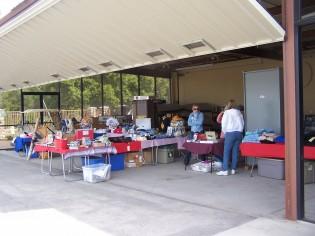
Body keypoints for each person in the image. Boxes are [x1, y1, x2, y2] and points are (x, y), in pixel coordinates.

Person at [216, 101, 244, 176]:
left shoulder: (227, 112)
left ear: (228, 106)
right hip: (239, 133)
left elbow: (223, 123)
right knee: (235, 152)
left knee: (226, 152)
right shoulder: (239, 112)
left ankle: (225, 170)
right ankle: (233, 169)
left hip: (230, 133)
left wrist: (225, 132)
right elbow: (242, 123)